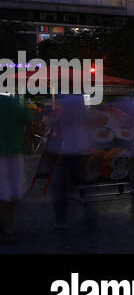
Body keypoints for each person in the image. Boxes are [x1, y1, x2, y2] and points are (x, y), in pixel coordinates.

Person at [48, 95, 94, 230]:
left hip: (66, 153)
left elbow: (56, 133)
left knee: (61, 189)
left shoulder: (63, 117)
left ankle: (61, 220)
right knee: (83, 185)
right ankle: (87, 216)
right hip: (82, 153)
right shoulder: (85, 117)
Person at [0, 94, 31, 242]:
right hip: (15, 151)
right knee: (15, 191)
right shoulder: (16, 102)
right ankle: (9, 225)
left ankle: (4, 222)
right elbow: (29, 124)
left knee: (2, 190)